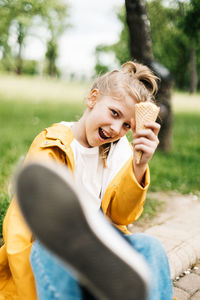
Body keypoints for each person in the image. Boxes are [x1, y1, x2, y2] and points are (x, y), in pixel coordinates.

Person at [0, 61, 174, 300]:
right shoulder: (53, 144)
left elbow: (121, 216)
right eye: (114, 113)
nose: (116, 129)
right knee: (47, 248)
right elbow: (21, 228)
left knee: (152, 248)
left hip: (100, 257)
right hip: (54, 257)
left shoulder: (119, 151)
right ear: (93, 98)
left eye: (126, 125)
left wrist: (139, 164)